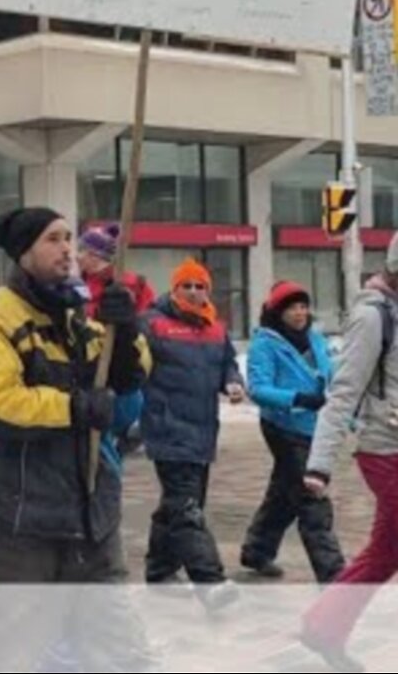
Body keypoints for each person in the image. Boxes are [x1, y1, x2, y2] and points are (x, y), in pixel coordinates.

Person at [0, 208, 155, 672]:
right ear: (24, 252)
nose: (67, 248)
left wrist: (124, 330)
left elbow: (130, 377)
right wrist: (73, 408)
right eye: (53, 239)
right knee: (11, 651)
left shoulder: (78, 315)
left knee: (122, 651)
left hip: (92, 513)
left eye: (69, 238)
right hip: (28, 517)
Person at [300, 235, 398, 672]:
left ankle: (324, 627)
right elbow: (342, 393)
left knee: (386, 551)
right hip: (387, 449)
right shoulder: (373, 316)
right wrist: (320, 463)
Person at [141, 258, 245, 607]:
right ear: (174, 288)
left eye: (200, 286)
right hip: (167, 427)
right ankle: (209, 581)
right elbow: (131, 362)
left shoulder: (215, 327)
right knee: (187, 507)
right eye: (186, 285)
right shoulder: (153, 324)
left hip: (202, 431)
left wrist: (233, 382)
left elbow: (227, 363)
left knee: (179, 504)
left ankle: (159, 569)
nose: (193, 292)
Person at [241, 282, 344, 584]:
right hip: (283, 426)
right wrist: (297, 399)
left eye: (303, 306)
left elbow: (332, 378)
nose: (300, 313)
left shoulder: (315, 338)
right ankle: (333, 572)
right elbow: (258, 389)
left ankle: (257, 550)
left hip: (315, 426)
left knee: (285, 494)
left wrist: (345, 415)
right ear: (278, 311)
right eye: (292, 307)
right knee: (312, 495)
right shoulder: (265, 343)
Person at [78, 223, 157, 319]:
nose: (77, 257)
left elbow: (150, 319)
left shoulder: (134, 284)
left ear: (94, 256)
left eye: (81, 250)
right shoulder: (78, 285)